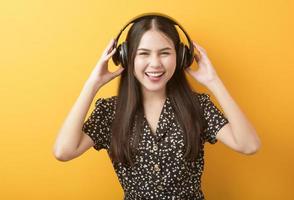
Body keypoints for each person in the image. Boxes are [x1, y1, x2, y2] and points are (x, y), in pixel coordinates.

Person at [53, 13, 261, 200]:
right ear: (126, 57)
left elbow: (249, 145)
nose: (155, 64)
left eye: (164, 53)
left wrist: (213, 81)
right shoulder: (110, 112)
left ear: (180, 57)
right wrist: (93, 84)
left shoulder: (198, 106)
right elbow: (63, 151)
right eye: (143, 53)